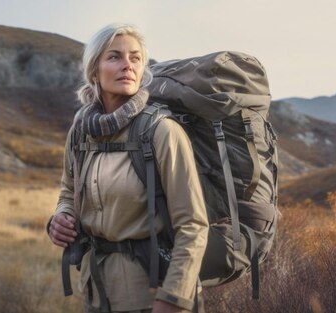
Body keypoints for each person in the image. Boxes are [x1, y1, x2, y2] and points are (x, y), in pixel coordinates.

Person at [47, 24, 209, 313]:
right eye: (115, 57)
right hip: (96, 292)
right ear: (94, 71)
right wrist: (61, 217)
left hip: (152, 296)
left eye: (135, 58)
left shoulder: (161, 131)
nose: (127, 65)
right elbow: (68, 193)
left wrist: (173, 298)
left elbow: (193, 225)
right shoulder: (80, 132)